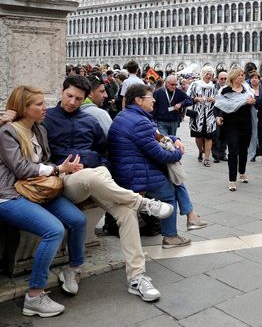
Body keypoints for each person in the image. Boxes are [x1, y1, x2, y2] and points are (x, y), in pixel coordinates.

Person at [43, 75, 175, 301]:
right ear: (62, 92)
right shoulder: (46, 119)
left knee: (126, 213)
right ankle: (141, 201)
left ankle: (137, 277)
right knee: (92, 178)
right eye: (69, 96)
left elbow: (105, 152)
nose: (73, 102)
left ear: (85, 99)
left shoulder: (90, 121)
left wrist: (100, 164)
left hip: (97, 175)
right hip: (67, 178)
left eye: (78, 98)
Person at [0, 87, 86, 317]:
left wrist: (66, 168)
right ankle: (34, 296)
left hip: (37, 191)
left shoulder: (39, 129)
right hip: (10, 195)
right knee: (54, 230)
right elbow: (20, 168)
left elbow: (44, 160)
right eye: (38, 104)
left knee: (78, 219)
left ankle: (73, 269)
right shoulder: (7, 132)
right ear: (23, 108)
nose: (45, 107)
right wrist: (58, 169)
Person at [109, 84, 206, 249]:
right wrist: (178, 154)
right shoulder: (140, 121)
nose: (154, 99)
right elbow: (160, 155)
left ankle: (191, 217)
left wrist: (174, 139)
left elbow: (155, 136)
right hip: (135, 174)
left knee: (174, 178)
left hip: (130, 169)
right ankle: (172, 235)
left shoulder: (128, 115)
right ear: (139, 100)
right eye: (150, 97)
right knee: (170, 191)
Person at [214, 67, 256, 191]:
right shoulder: (225, 91)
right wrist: (217, 117)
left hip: (246, 124)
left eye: (242, 75)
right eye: (239, 75)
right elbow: (217, 106)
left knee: (244, 150)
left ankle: (242, 171)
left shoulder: (247, 90)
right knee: (233, 151)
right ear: (233, 76)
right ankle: (232, 180)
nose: (241, 77)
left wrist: (253, 101)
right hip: (231, 125)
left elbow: (255, 103)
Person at [186, 66, 217, 166]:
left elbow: (219, 100)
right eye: (207, 74)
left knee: (209, 137)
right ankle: (200, 150)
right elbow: (187, 97)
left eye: (211, 74)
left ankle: (207, 158)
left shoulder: (214, 87)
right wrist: (196, 99)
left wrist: (214, 100)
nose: (209, 76)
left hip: (210, 115)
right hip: (197, 115)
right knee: (198, 136)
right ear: (203, 74)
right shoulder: (195, 84)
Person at [248, 71, 262, 163]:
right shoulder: (247, 90)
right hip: (250, 116)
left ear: (259, 79)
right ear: (250, 80)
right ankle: (253, 154)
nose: (254, 79)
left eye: (256, 78)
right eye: (252, 78)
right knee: (252, 135)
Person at [211, 71, 229, 162]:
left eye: (225, 78)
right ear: (218, 79)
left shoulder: (229, 88)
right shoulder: (213, 88)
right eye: (221, 78)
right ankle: (216, 155)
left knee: (224, 135)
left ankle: (223, 153)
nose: (223, 80)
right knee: (216, 135)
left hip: (226, 113)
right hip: (216, 112)